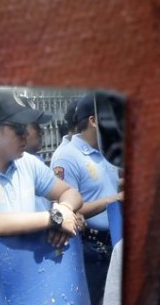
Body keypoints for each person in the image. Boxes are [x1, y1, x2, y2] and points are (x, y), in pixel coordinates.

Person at [0, 89, 84, 254]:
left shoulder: (27, 162)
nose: (25, 134)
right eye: (18, 128)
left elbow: (70, 192)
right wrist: (55, 218)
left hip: (31, 271)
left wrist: (65, 208)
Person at [50, 93, 123, 305]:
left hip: (114, 242)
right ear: (94, 120)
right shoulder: (67, 157)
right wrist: (114, 199)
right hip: (91, 249)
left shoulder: (108, 151)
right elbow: (68, 212)